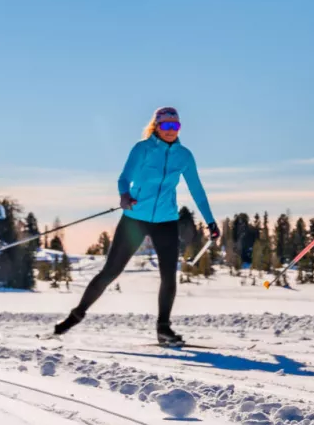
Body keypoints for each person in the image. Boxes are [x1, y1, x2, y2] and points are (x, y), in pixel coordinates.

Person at [53, 106, 219, 346]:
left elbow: (197, 190)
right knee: (111, 271)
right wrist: (124, 196)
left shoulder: (184, 156)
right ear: (156, 126)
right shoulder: (142, 149)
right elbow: (124, 178)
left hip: (166, 220)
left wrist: (211, 220)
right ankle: (74, 316)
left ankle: (164, 329)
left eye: (176, 126)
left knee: (169, 277)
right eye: (166, 126)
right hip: (135, 219)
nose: (171, 131)